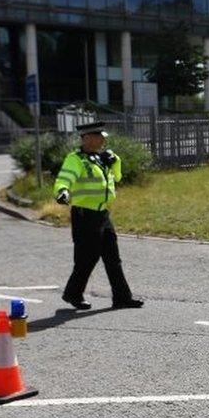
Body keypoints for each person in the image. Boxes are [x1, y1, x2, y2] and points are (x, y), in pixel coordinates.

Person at [53, 122, 143, 310]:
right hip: (84, 216)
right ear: (86, 138)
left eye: (103, 136)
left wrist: (115, 161)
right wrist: (62, 191)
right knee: (87, 258)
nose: (104, 139)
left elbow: (117, 178)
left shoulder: (101, 158)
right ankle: (73, 293)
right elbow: (64, 179)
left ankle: (122, 297)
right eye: (99, 136)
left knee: (112, 257)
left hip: (103, 214)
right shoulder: (75, 159)